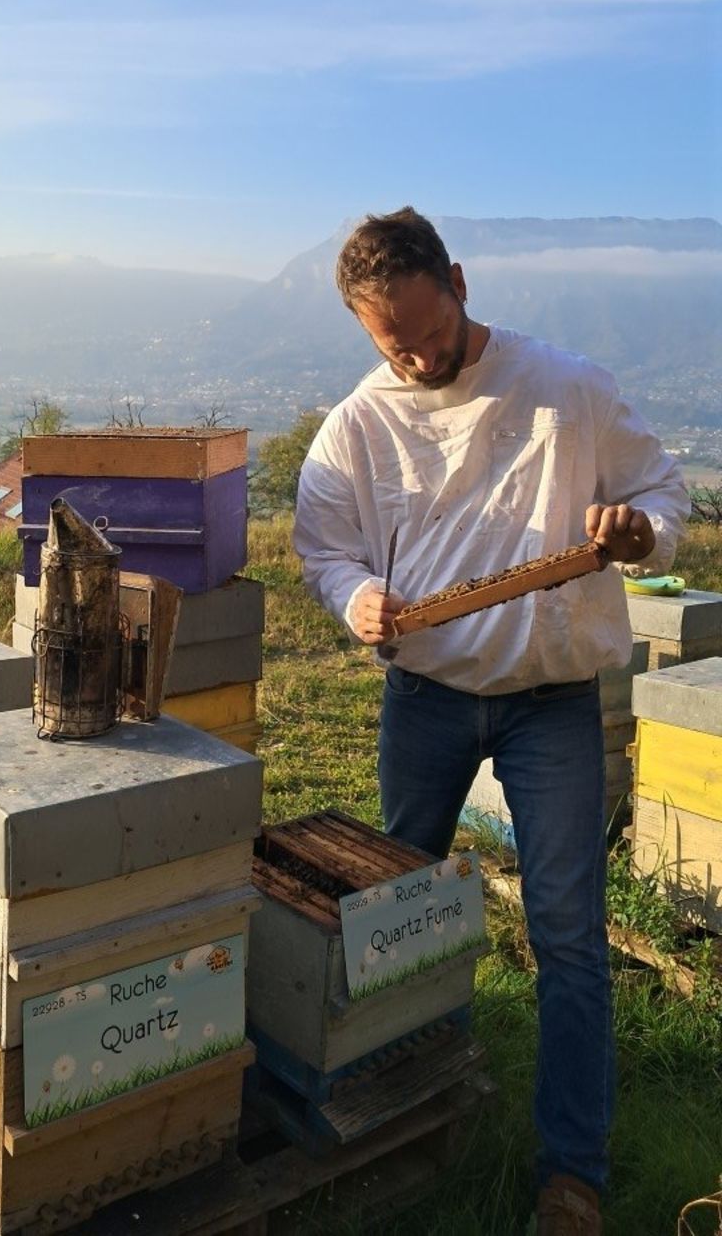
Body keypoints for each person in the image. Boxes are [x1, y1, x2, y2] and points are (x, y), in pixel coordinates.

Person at [293, 207, 689, 1235]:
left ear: (459, 282)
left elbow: (660, 490)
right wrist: (355, 601)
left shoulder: (566, 386)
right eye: (394, 344)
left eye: (429, 330)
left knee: (566, 934)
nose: (419, 356)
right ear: (363, 331)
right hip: (423, 696)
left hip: (551, 698)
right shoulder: (357, 425)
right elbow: (324, 548)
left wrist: (637, 530)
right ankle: (412, 1112)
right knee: (400, 920)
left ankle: (573, 1174)